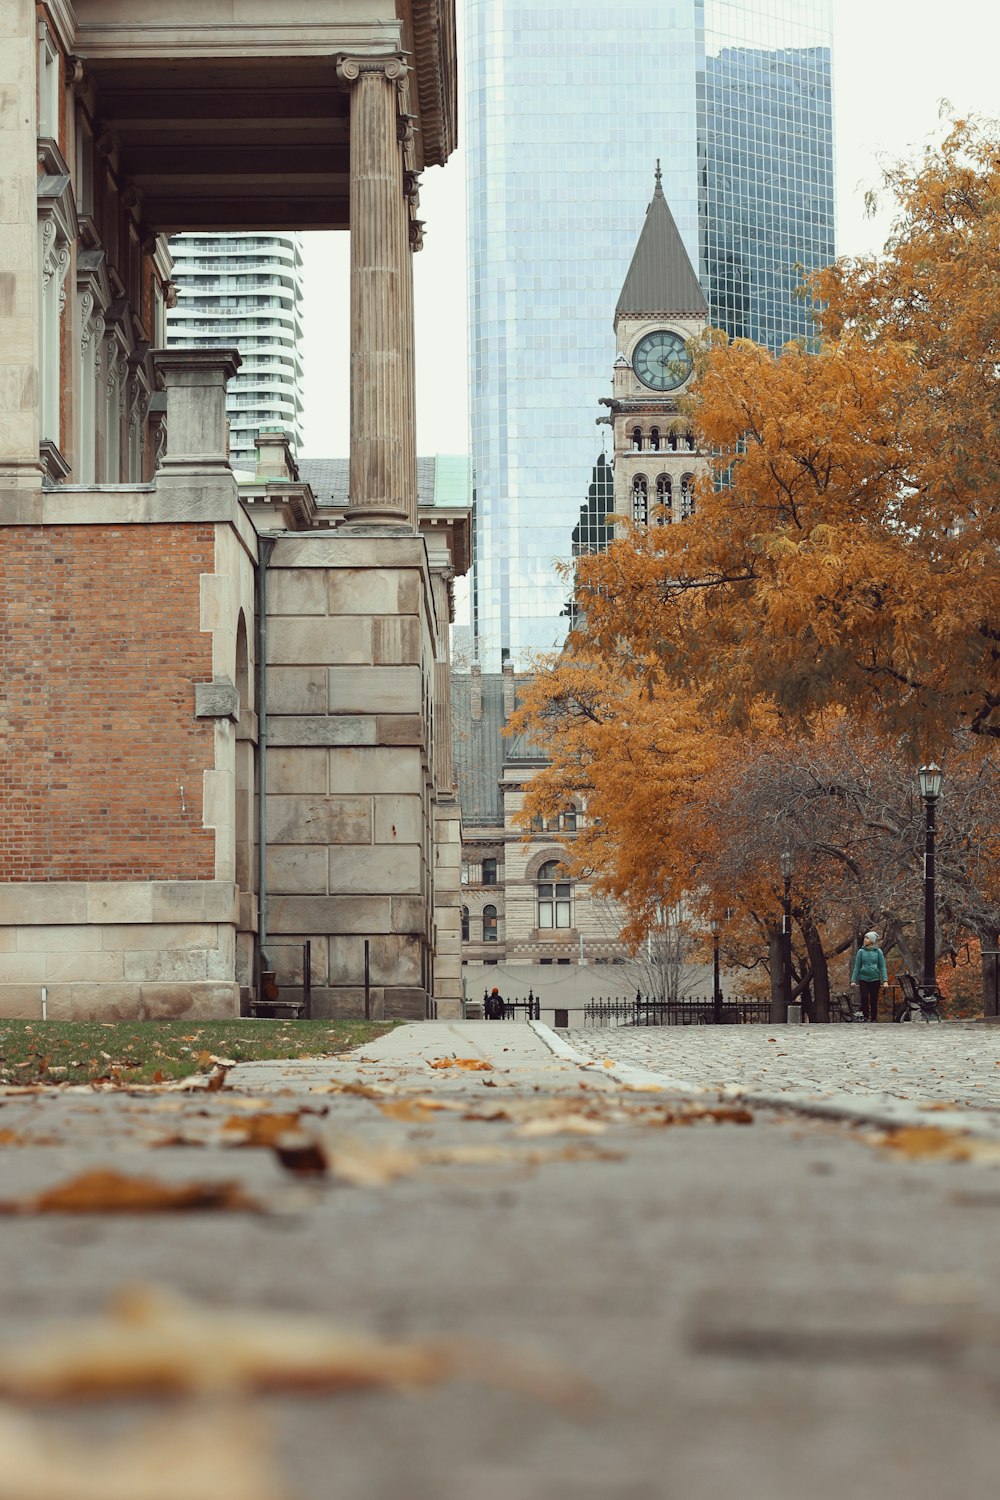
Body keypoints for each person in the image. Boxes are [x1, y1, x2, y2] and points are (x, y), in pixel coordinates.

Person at [851, 931, 888, 1022]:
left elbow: (882, 966)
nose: (865, 940)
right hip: (863, 978)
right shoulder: (861, 952)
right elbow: (857, 967)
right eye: (865, 938)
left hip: (875, 979)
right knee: (864, 997)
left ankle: (874, 1018)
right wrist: (853, 980)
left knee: (873, 999)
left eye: (867, 938)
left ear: (872, 940)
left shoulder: (878, 952)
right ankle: (866, 1016)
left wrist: (885, 980)